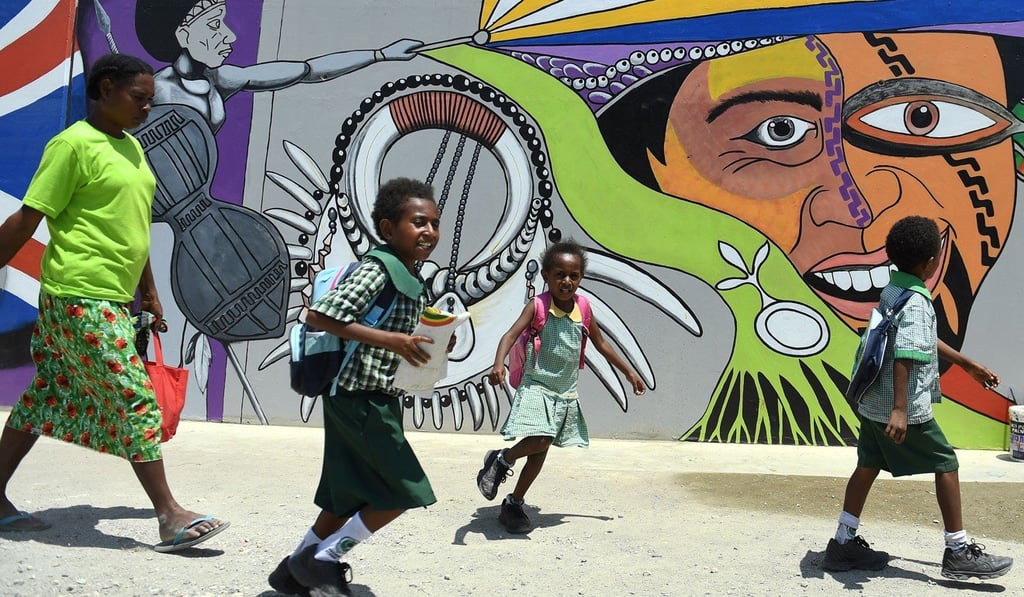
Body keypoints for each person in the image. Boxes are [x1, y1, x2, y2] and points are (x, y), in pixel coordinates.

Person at [0, 54, 229, 552]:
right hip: (78, 293)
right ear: (105, 89)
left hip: (114, 296)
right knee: (134, 397)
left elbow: (134, 224)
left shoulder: (132, 147)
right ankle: (170, 516)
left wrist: (147, 290)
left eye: (149, 100)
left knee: (44, 397)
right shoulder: (72, 146)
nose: (146, 107)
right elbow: (29, 217)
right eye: (138, 98)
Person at [269, 178, 445, 596]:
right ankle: (324, 560)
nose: (430, 232)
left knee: (343, 495)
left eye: (436, 224)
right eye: (418, 222)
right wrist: (392, 341)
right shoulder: (378, 269)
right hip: (361, 397)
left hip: (370, 397)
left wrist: (437, 340)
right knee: (403, 491)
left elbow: (401, 332)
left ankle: (292, 572)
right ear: (387, 228)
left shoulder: (408, 276)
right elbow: (320, 316)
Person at [821, 216, 1013, 580]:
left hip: (872, 400)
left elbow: (915, 338)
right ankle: (957, 550)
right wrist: (900, 410)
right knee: (945, 462)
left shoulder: (896, 290)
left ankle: (843, 542)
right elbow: (907, 351)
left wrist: (964, 362)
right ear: (931, 262)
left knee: (868, 464)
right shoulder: (918, 302)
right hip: (899, 405)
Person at [476, 239, 646, 534]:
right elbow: (508, 335)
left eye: (574, 275)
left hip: (563, 391)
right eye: (560, 275)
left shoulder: (584, 308)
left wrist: (629, 372)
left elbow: (601, 343)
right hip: (536, 385)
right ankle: (501, 459)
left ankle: (514, 502)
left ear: (580, 277)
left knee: (540, 453)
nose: (567, 281)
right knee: (541, 440)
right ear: (546, 275)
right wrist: (498, 364)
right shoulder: (538, 306)